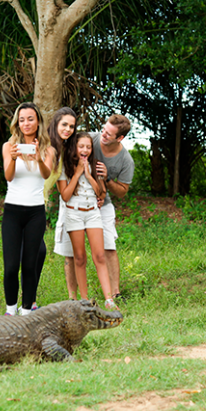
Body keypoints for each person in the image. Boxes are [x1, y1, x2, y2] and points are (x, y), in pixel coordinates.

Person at [55, 114, 135, 301]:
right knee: (71, 253)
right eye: (104, 129)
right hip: (73, 200)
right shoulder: (88, 139)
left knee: (107, 246)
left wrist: (105, 182)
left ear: (120, 138)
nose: (103, 135)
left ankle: (114, 294)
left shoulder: (125, 160)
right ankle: (73, 299)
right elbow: (63, 144)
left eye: (109, 134)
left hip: (100, 204)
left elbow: (122, 192)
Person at [1, 102, 54, 316]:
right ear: (17, 123)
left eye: (30, 119)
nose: (26, 123)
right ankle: (10, 310)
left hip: (35, 211)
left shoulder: (47, 148)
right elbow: (8, 176)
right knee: (12, 266)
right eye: (22, 119)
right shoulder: (9, 146)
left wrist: (39, 159)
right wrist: (13, 158)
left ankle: (26, 311)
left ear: (38, 121)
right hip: (13, 210)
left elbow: (46, 174)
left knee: (30, 265)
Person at [57, 133, 118, 309]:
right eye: (81, 146)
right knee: (80, 257)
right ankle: (84, 301)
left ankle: (109, 300)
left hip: (92, 213)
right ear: (74, 148)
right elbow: (65, 196)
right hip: (74, 213)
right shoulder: (65, 167)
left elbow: (101, 193)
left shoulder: (96, 165)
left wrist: (89, 175)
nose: (85, 150)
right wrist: (76, 174)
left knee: (99, 255)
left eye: (88, 147)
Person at [47, 108, 80, 299]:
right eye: (64, 125)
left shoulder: (66, 150)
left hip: (40, 201)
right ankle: (26, 302)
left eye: (72, 126)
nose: (68, 129)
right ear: (55, 124)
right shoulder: (45, 144)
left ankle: (72, 299)